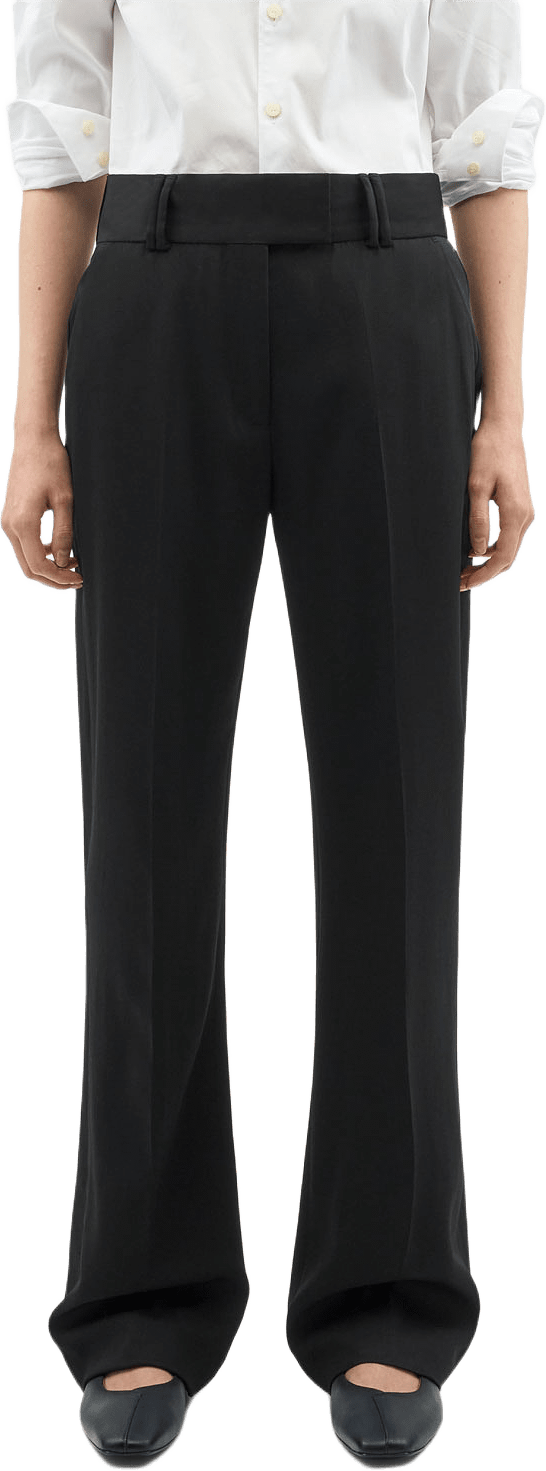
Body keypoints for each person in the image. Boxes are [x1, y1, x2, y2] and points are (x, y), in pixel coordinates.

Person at [1, 3, 544, 1468]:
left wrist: (503, 412)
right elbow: (61, 133)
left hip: (386, 283)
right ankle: (140, 1294)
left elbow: (482, 133)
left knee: (398, 814)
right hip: (154, 282)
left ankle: (389, 1288)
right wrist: (33, 418)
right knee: (141, 812)